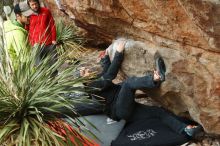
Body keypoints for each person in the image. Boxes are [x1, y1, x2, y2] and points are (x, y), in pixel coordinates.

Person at [80, 40, 202, 138]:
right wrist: (119, 52)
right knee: (128, 84)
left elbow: (106, 74)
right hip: (119, 109)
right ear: (82, 81)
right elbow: (110, 75)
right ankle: (156, 78)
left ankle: (185, 130)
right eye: (84, 72)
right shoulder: (91, 86)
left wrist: (105, 58)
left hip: (123, 111)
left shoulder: (93, 83)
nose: (87, 70)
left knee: (158, 112)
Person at [27, 0, 58, 76]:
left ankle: (55, 84)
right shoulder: (28, 15)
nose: (35, 6)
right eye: (32, 5)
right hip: (36, 46)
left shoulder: (46, 11)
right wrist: (31, 43)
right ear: (29, 6)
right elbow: (27, 30)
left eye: (35, 4)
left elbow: (52, 25)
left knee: (53, 65)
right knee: (39, 68)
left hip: (49, 43)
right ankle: (45, 86)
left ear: (38, 3)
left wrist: (54, 39)